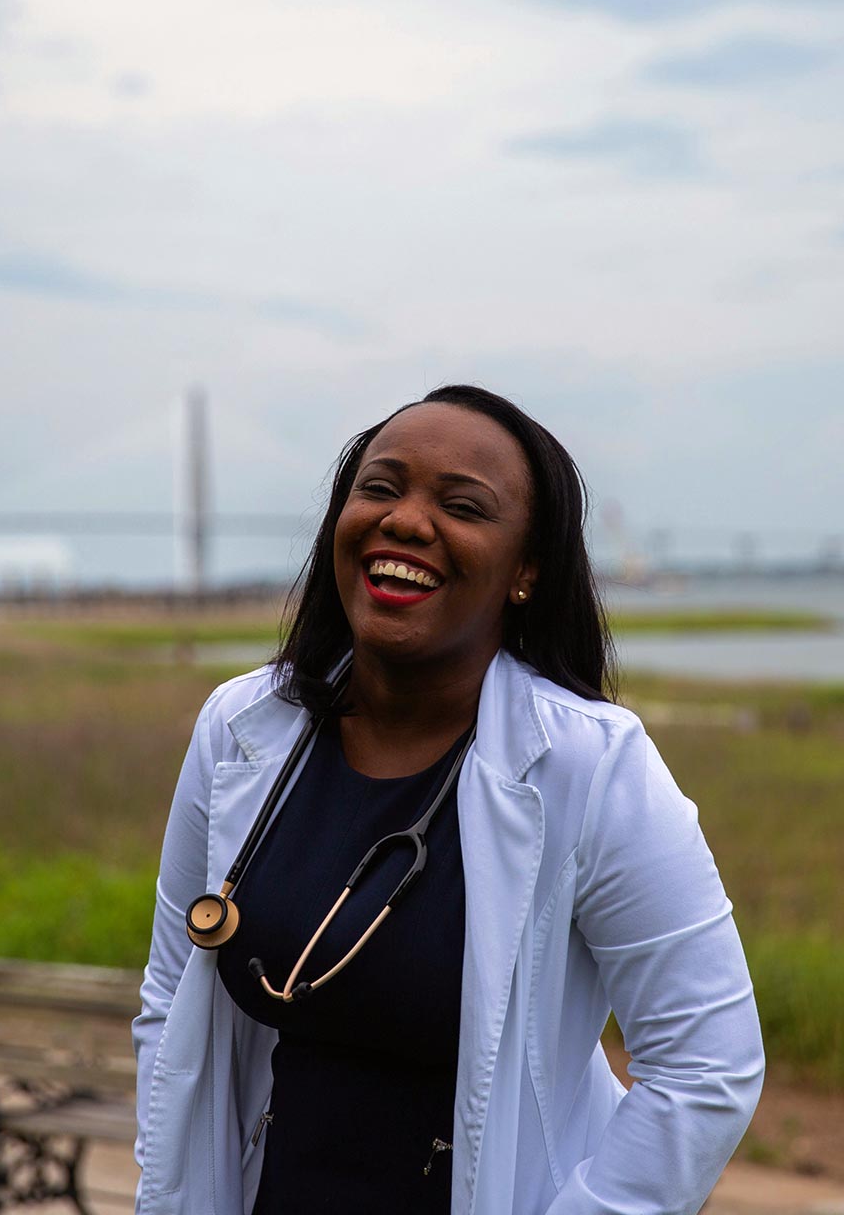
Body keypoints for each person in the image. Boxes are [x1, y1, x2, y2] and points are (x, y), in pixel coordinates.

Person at [132, 384, 764, 1215]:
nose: (406, 521)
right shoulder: (242, 729)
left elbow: (707, 1068)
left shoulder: (591, 767)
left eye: (462, 506)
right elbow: (171, 996)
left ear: (526, 572)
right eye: (381, 487)